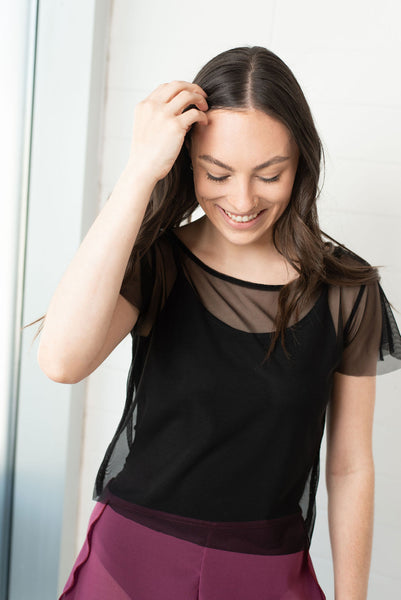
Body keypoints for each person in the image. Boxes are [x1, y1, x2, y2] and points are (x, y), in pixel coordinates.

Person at [31, 46, 401, 600]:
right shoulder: (158, 261)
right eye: (218, 173)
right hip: (129, 562)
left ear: (300, 162)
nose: (243, 199)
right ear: (187, 162)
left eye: (269, 174)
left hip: (269, 572)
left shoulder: (347, 291)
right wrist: (139, 170)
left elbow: (349, 466)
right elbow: (61, 361)